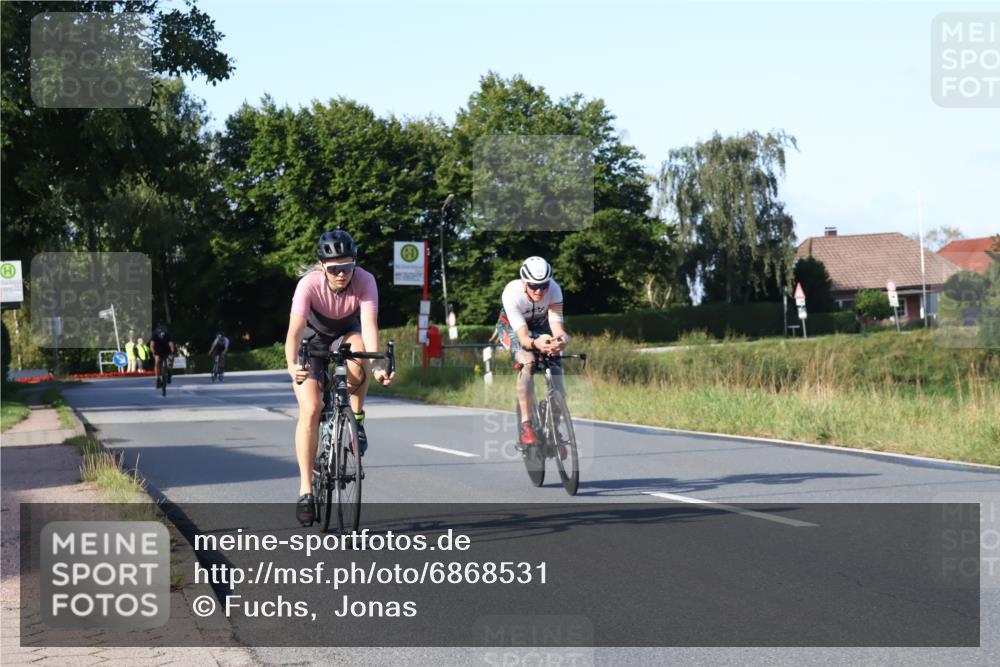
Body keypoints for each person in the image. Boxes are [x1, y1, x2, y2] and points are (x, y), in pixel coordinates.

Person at [285, 230, 395, 526]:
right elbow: (294, 332)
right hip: (312, 343)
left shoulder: (365, 280)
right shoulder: (308, 285)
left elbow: (369, 326)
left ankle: (355, 419)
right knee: (311, 409)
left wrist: (376, 365)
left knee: (360, 350)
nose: (341, 275)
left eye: (347, 267)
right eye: (334, 269)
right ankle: (306, 490)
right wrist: (290, 364)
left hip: (345, 336)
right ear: (322, 266)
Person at [495, 256, 569, 446]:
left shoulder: (554, 289)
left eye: (543, 285)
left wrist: (561, 340)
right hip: (513, 328)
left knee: (557, 371)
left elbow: (557, 326)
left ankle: (554, 429)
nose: (539, 291)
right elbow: (524, 338)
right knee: (528, 361)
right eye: (534, 286)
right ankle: (526, 424)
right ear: (524, 282)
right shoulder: (512, 293)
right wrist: (537, 345)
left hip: (541, 325)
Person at [148, 324, 176, 388]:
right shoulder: (154, 335)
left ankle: (169, 373)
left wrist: (171, 353)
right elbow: (151, 346)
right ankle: (158, 379)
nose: (162, 335)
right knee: (157, 361)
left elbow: (171, 345)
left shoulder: (167, 335)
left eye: (163, 334)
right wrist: (153, 352)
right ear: (158, 333)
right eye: (161, 334)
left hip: (167, 349)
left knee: (171, 360)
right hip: (158, 350)